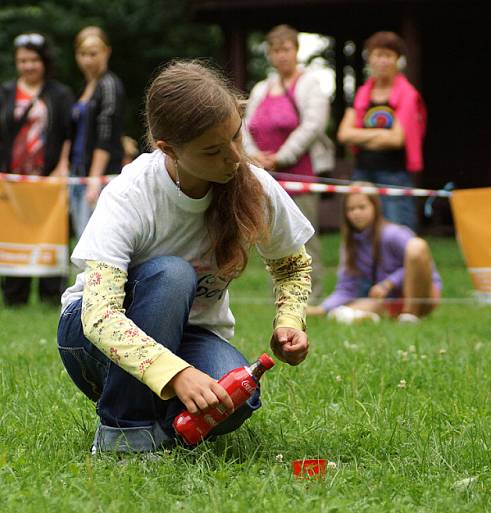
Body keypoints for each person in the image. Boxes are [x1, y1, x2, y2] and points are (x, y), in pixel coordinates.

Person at [56, 60, 313, 453]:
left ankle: (160, 428)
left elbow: (292, 265)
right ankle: (122, 433)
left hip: (189, 336)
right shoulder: (131, 193)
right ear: (168, 150)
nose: (233, 158)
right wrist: (177, 375)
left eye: (235, 137)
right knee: (173, 274)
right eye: (213, 150)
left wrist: (289, 321)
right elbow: (99, 317)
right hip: (89, 339)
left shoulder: (254, 186)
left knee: (237, 396)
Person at [244, 24, 333, 306]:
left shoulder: (309, 84)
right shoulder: (262, 88)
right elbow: (245, 125)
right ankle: (283, 297)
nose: (281, 55)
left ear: (296, 51)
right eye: (275, 50)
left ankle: (313, 297)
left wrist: (281, 156)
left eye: (286, 49)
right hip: (266, 176)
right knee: (273, 239)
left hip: (301, 174)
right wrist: (254, 156)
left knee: (306, 238)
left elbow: (313, 125)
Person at [0, 33, 73, 306]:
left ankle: (52, 295)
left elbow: (69, 133)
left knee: (49, 234)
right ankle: (14, 295)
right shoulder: (5, 92)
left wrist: (62, 167)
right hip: (12, 180)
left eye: (33, 60)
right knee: (14, 233)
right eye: (22, 60)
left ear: (44, 61)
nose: (28, 65)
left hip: (48, 180)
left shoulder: (60, 93)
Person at [307, 186, 441, 323]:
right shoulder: (350, 244)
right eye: (350, 209)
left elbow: (420, 261)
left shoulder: (393, 233)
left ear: (375, 207)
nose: (356, 213)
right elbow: (346, 288)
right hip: (390, 299)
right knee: (339, 314)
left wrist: (388, 284)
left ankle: (410, 315)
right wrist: (323, 309)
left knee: (416, 245)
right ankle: (383, 317)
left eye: (362, 207)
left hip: (423, 294)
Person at [337, 31, 426, 232]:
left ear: (397, 59)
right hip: (362, 171)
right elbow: (344, 134)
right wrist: (380, 135)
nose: (382, 61)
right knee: (361, 230)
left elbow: (396, 139)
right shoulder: (362, 93)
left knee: (398, 231)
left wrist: (360, 136)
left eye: (388, 55)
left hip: (394, 174)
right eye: (378, 55)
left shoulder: (408, 94)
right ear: (370, 58)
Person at [69, 26, 125, 236]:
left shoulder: (109, 85)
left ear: (106, 52)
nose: (87, 60)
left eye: (93, 53)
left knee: (96, 239)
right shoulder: (85, 86)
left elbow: (106, 134)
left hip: (100, 176)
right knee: (82, 236)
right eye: (82, 54)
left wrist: (95, 178)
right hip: (79, 172)